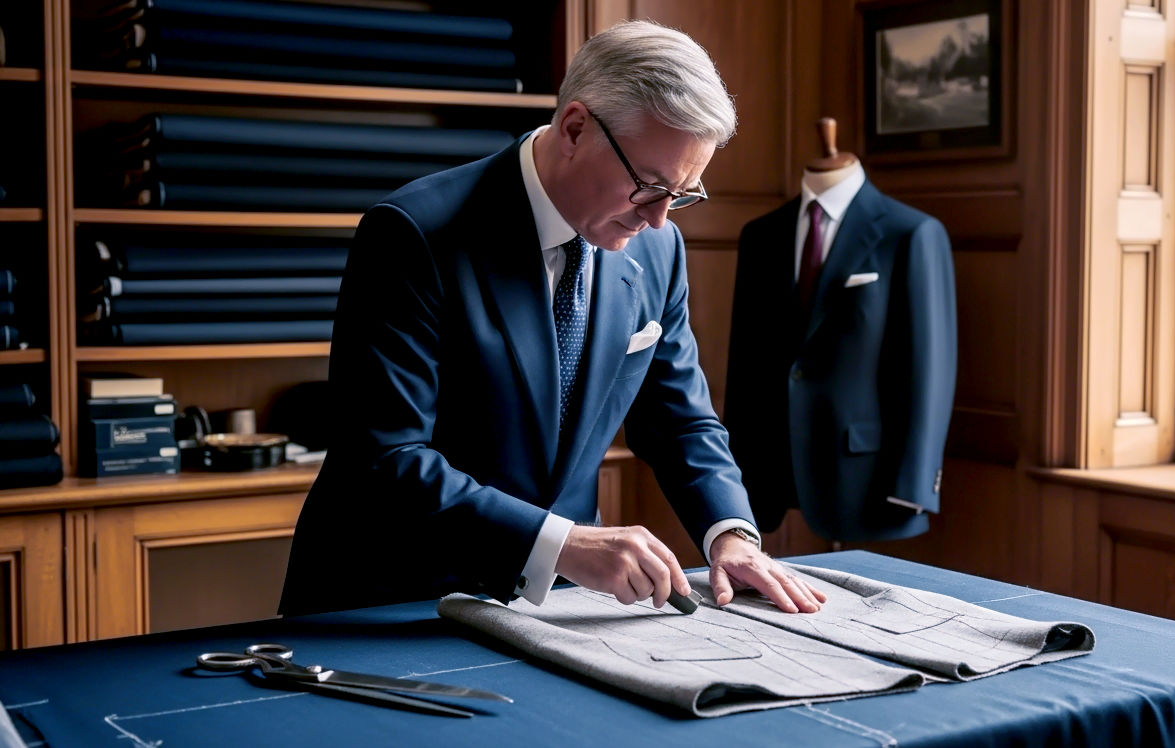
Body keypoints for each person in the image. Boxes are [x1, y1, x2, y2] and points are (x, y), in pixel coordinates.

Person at [280, 20, 825, 616]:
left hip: (557, 610)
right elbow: (386, 459)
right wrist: (561, 544)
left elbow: (680, 420)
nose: (660, 219)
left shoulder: (659, 248)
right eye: (649, 186)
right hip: (389, 601)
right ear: (574, 129)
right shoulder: (412, 234)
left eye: (684, 193)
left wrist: (731, 533)